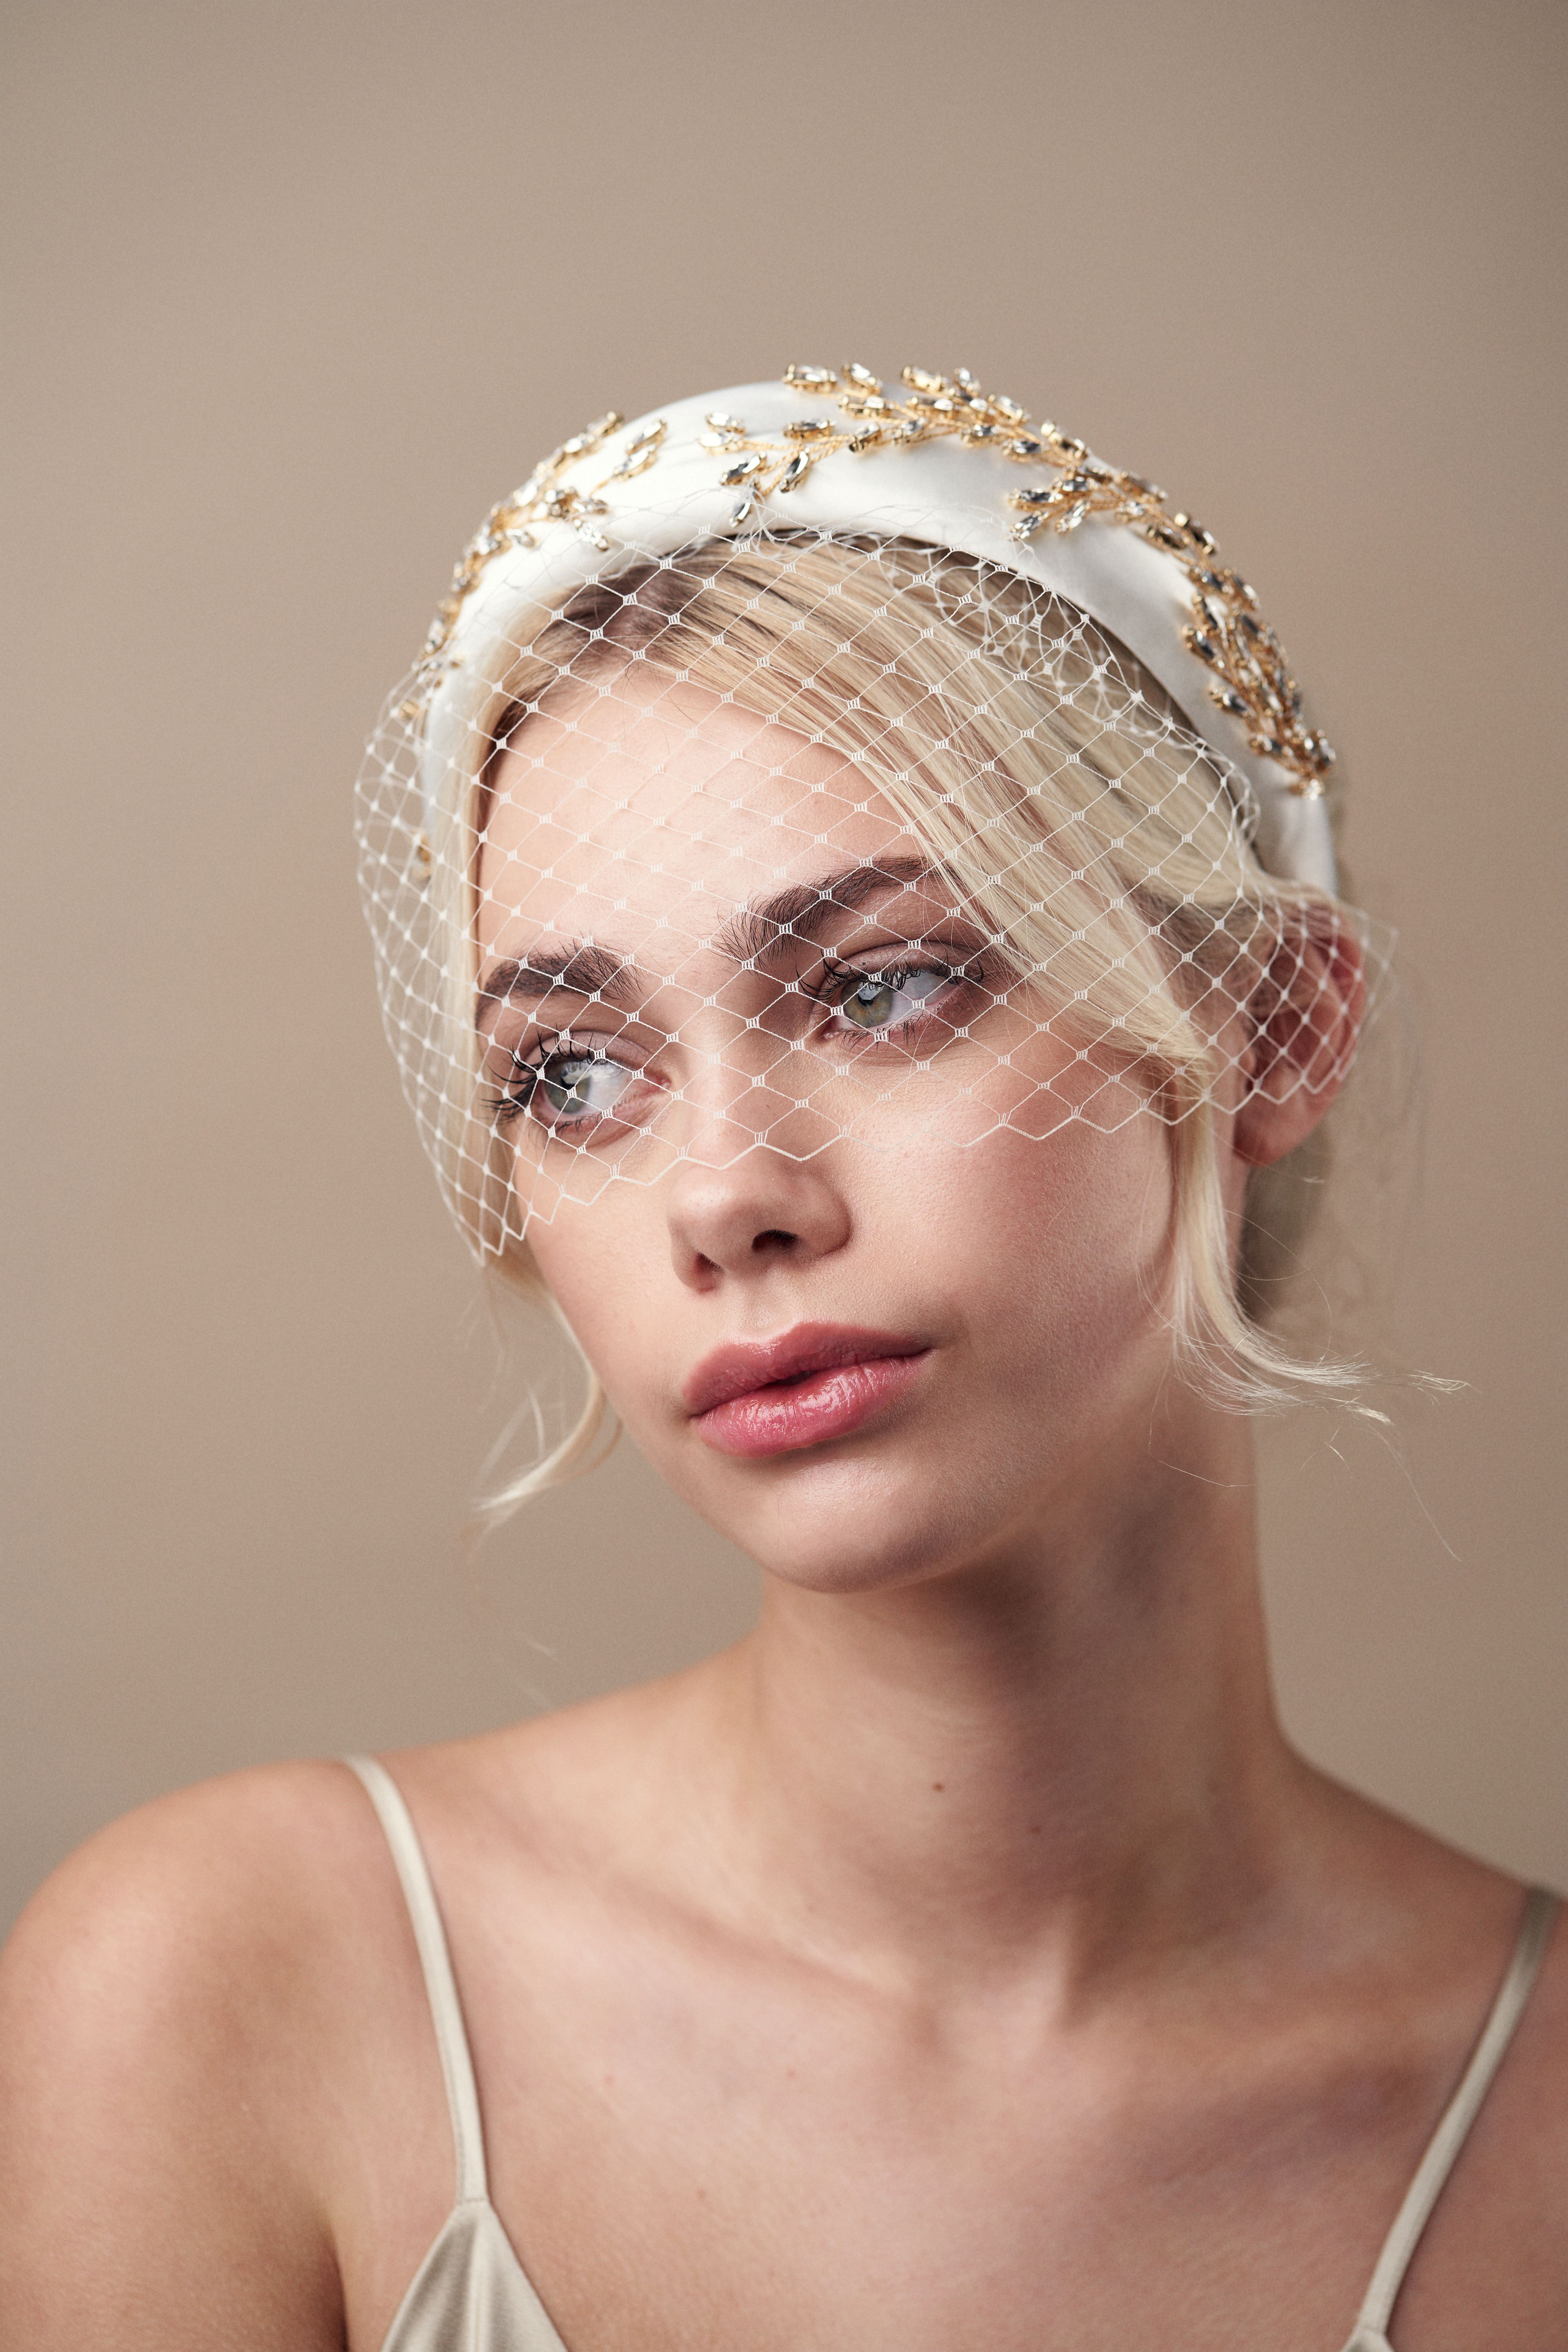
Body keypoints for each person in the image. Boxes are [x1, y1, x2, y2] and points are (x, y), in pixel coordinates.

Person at [1, 366, 1562, 2352]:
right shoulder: (229, 1992)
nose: (723, 1197)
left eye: (886, 985)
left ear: (1263, 1025)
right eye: (573, 1074)